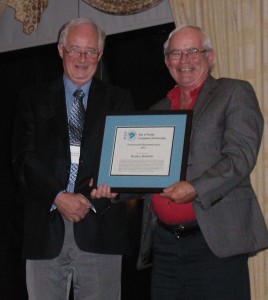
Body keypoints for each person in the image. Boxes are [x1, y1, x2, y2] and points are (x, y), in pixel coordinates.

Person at [91, 25, 268, 300]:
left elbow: (241, 156)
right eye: (176, 53)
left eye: (192, 51)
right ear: (166, 62)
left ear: (209, 57)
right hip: (165, 247)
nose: (184, 60)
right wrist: (114, 187)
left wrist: (196, 187)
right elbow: (149, 175)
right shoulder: (157, 110)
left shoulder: (233, 92)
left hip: (214, 244)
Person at [12, 18, 135, 300]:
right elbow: (23, 159)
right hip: (45, 228)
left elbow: (128, 160)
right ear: (60, 50)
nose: (83, 58)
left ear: (100, 55)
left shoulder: (119, 99)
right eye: (75, 49)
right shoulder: (31, 98)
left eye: (91, 51)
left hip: (101, 226)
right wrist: (58, 196)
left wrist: (115, 187)